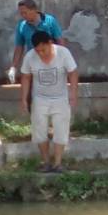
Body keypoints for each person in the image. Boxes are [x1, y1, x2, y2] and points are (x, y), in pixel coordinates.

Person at [20, 31, 78, 174]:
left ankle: (58, 163)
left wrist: (73, 93)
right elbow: (26, 77)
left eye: (43, 49)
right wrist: (24, 98)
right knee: (39, 131)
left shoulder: (63, 53)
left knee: (61, 130)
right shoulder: (30, 57)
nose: (41, 53)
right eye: (38, 51)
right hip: (39, 99)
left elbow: (73, 73)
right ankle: (46, 162)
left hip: (60, 98)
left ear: (50, 43)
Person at [8, 0, 64, 84]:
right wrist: (13, 67)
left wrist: (62, 60)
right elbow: (19, 47)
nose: (23, 15)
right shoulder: (22, 25)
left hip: (51, 61)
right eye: (21, 13)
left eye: (25, 13)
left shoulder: (49, 21)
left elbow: (60, 41)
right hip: (33, 62)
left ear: (33, 10)